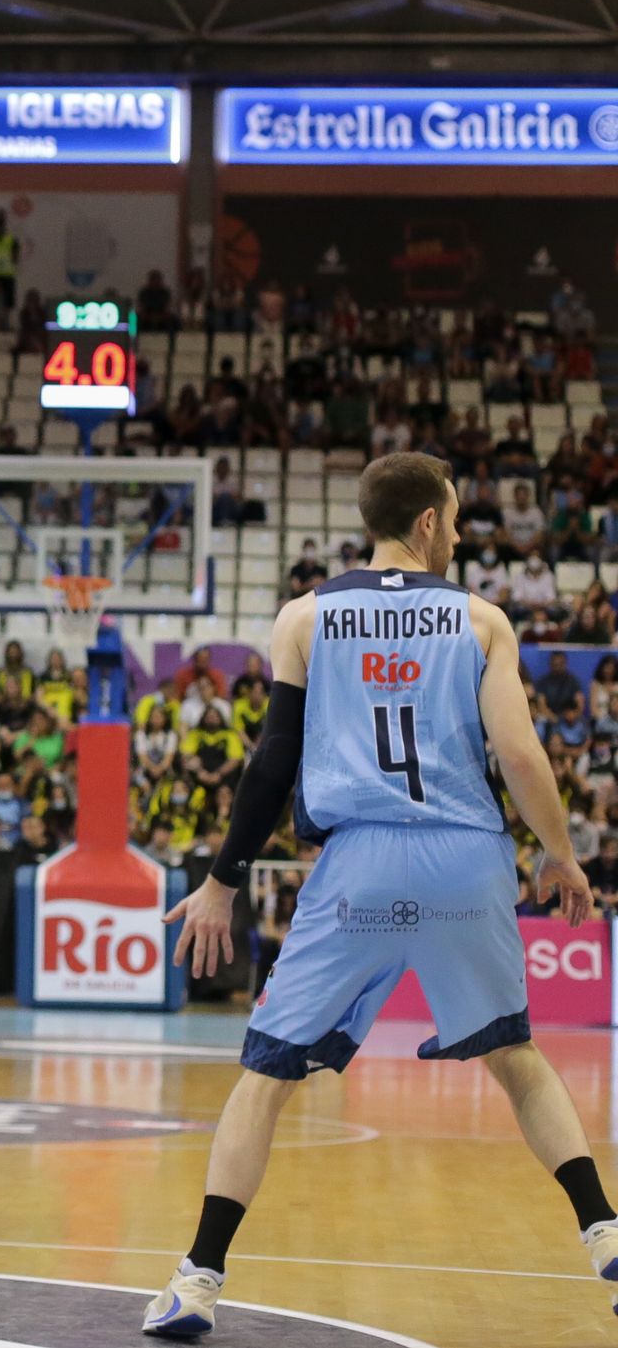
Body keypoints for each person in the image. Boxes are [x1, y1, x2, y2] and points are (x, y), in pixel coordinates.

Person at [146, 453, 618, 1337]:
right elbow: (519, 755)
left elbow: (273, 759)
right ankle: (605, 1233)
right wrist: (560, 855)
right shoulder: (481, 620)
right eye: (457, 515)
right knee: (517, 1058)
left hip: (358, 861)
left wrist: (221, 881)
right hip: (466, 856)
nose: (462, 531)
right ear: (432, 523)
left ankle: (196, 1280)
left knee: (264, 1077)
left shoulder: (304, 616)